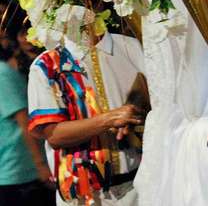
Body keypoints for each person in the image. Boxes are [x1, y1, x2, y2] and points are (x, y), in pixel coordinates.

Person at [27, 25, 146, 205]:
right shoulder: (47, 64)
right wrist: (109, 119)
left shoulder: (131, 47)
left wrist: (135, 116)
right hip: (85, 196)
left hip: (140, 185)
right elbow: (53, 135)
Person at [0, 26, 55, 205]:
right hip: (16, 171)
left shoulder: (3, 73)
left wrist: (40, 165)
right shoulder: (3, 73)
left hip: (20, 170)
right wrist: (40, 165)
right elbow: (24, 120)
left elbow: (24, 120)